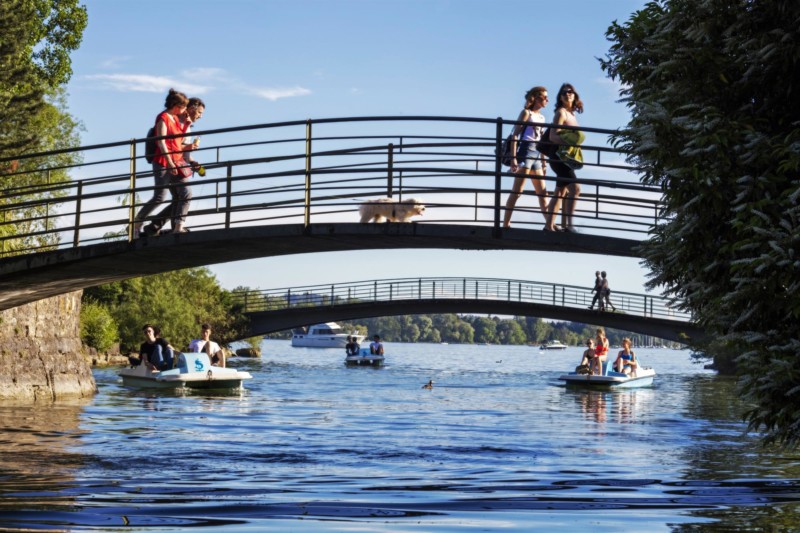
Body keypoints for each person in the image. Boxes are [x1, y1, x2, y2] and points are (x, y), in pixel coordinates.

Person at [135, 89, 190, 237]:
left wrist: (186, 124)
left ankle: (178, 226)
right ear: (176, 105)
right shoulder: (163, 117)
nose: (185, 109)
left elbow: (179, 140)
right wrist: (169, 161)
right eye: (184, 106)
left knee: (186, 193)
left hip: (177, 161)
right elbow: (161, 141)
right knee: (160, 197)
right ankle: (136, 224)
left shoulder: (176, 119)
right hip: (163, 161)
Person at [149, 98, 206, 234]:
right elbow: (174, 144)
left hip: (175, 162)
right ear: (191, 108)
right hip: (168, 162)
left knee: (179, 197)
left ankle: (157, 226)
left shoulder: (187, 125)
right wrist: (188, 147)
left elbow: (182, 150)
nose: (201, 116)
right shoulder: (178, 120)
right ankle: (175, 227)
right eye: (199, 112)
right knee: (184, 194)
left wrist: (192, 162)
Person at [503, 86, 549, 228]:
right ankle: (505, 223)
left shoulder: (542, 117)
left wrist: (543, 161)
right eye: (544, 97)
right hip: (525, 151)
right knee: (517, 192)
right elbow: (516, 134)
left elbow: (541, 140)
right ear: (535, 98)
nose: (547, 100)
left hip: (536, 153)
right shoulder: (526, 113)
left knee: (543, 193)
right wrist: (513, 158)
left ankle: (550, 224)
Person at [543, 83, 584, 233]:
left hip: (565, 157)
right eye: (564, 93)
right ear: (560, 97)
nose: (568, 94)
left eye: (571, 92)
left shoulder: (572, 114)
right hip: (558, 156)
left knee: (560, 192)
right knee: (575, 188)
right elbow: (553, 136)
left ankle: (549, 225)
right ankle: (569, 225)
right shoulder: (560, 113)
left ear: (575, 95)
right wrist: (569, 142)